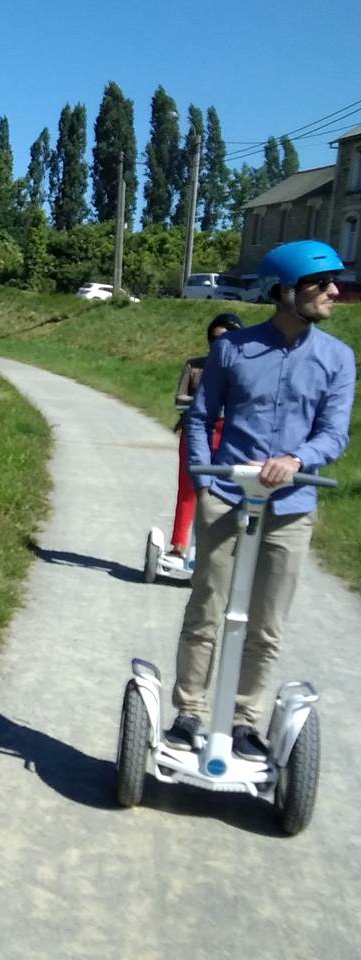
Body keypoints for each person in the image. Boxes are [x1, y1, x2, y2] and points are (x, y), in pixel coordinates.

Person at [164, 240, 355, 759]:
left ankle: (247, 720)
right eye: (322, 285)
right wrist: (204, 486)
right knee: (207, 608)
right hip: (226, 496)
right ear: (286, 291)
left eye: (332, 283)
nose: (333, 292)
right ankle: (188, 712)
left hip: (291, 505)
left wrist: (296, 458)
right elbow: (202, 417)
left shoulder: (338, 358)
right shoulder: (234, 348)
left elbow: (335, 434)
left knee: (266, 623)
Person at [164, 313, 242, 562]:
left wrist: (205, 404)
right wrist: (210, 405)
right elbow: (179, 400)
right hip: (195, 432)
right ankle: (178, 544)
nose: (220, 344)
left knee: (224, 493)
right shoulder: (195, 366)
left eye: (228, 339)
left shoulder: (242, 370)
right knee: (188, 489)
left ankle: (217, 549)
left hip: (228, 434)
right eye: (215, 339)